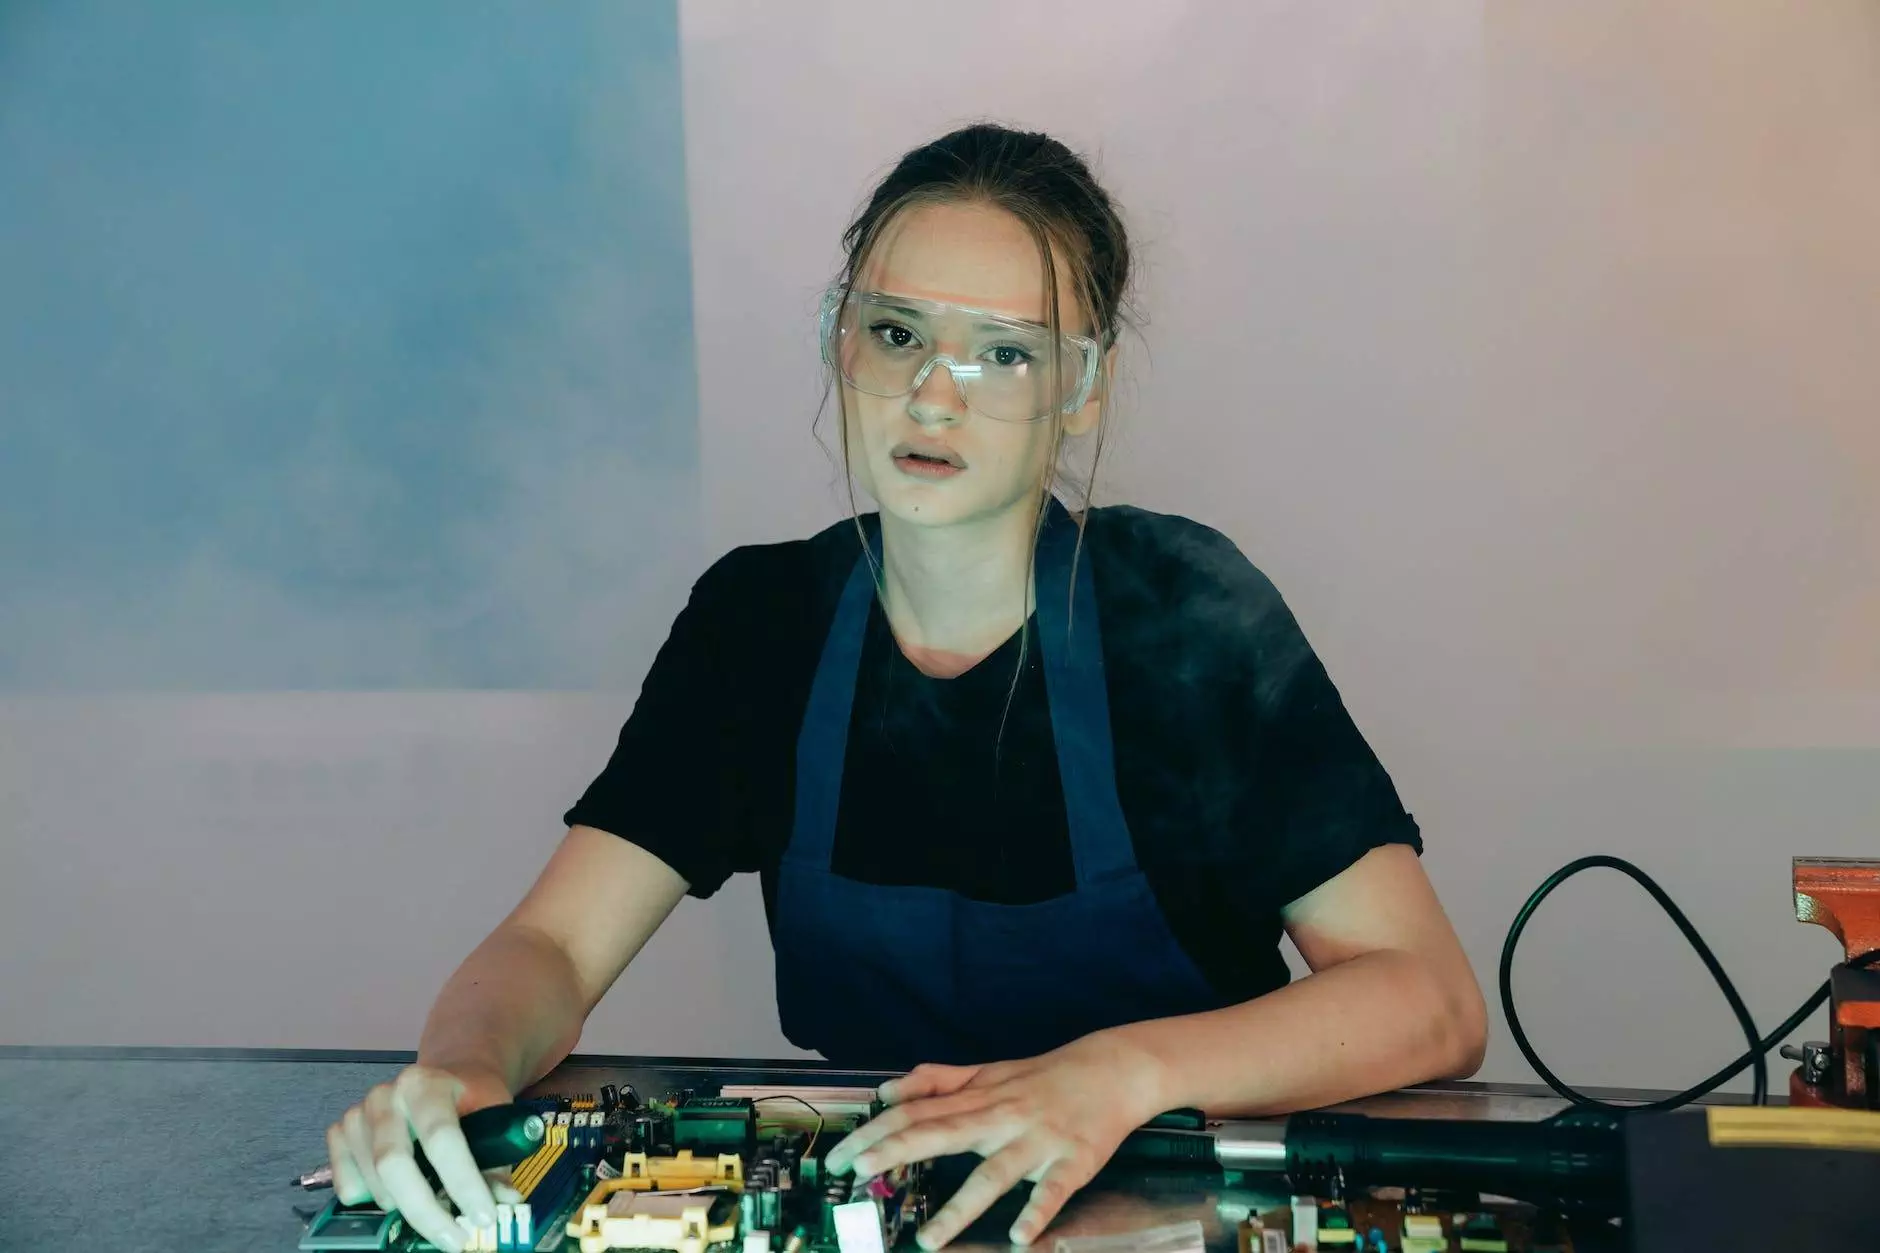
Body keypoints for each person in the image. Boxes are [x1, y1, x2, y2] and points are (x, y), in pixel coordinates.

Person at [324, 123, 1488, 1253]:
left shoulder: (1178, 610)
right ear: (841, 342)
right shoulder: (759, 623)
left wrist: (1121, 1071)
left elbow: (1425, 999)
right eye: (896, 333)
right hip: (871, 1208)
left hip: (1162, 1208)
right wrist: (464, 1070)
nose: (935, 397)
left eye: (1005, 352)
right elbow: (553, 949)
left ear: (1080, 388)